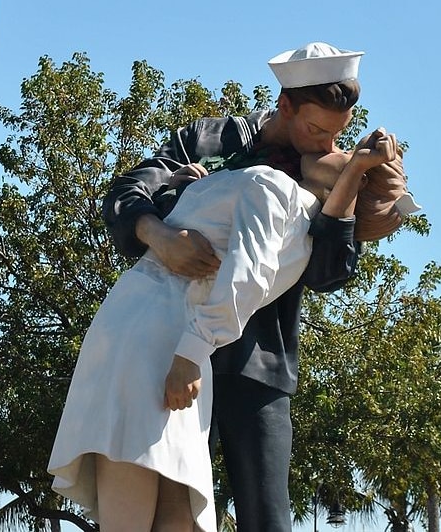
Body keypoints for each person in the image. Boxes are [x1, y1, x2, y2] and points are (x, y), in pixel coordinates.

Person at [48, 131, 406, 531]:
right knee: (174, 500)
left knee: (141, 500)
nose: (333, 147)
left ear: (349, 184)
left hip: (151, 332)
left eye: (341, 153)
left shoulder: (271, 186)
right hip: (174, 341)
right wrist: (181, 189)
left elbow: (245, 280)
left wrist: (190, 353)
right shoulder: (298, 230)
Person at [100, 42, 385, 531]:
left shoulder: (333, 174)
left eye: (337, 134)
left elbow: (328, 274)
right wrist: (159, 234)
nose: (324, 145)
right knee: (173, 509)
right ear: (284, 105)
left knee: (268, 516)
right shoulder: (210, 139)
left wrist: (349, 195)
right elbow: (126, 192)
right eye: (315, 129)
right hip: (172, 348)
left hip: (260, 363)